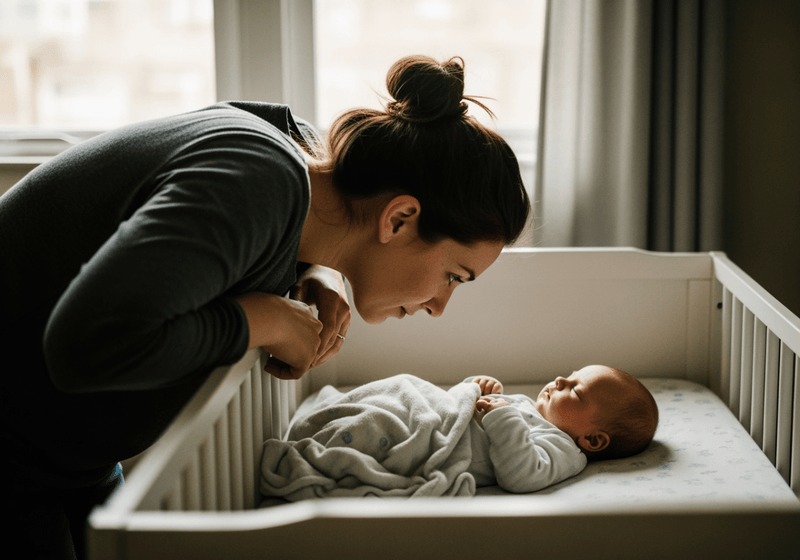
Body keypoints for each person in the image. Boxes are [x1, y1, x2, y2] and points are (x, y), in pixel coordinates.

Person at [0, 54, 530, 559]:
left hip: (68, 457)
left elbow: (235, 232)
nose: (439, 306)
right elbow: (84, 346)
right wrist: (262, 319)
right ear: (398, 219)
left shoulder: (298, 169)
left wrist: (318, 271)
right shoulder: (257, 176)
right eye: (453, 276)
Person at [469, 365, 659, 492]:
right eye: (570, 376)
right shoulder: (527, 403)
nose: (560, 380)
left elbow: (521, 475)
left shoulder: (563, 449)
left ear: (592, 439)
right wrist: (479, 387)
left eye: (575, 390)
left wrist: (503, 418)